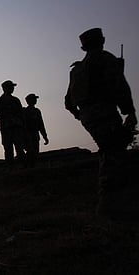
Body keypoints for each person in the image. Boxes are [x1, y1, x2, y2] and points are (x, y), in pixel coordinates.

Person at [65, 28, 137, 220]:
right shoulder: (105, 59)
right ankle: (110, 206)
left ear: (83, 46)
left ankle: (114, 203)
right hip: (104, 113)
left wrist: (80, 115)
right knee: (114, 155)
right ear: (102, 40)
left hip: (89, 117)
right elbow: (119, 86)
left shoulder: (77, 70)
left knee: (110, 152)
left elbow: (68, 102)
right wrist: (129, 111)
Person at [0, 80, 27, 169]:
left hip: (17, 126)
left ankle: (22, 166)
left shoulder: (15, 100)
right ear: (5, 88)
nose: (12, 89)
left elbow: (21, 114)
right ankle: (10, 167)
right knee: (8, 148)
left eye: (12, 87)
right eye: (11, 87)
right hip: (6, 126)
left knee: (19, 146)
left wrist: (24, 126)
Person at [23, 94, 49, 167]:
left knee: (36, 151)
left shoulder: (37, 111)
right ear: (28, 101)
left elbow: (41, 124)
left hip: (35, 133)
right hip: (27, 134)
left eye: (35, 99)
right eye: (33, 99)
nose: (35, 100)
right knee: (30, 151)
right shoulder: (25, 111)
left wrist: (45, 136)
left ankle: (33, 165)